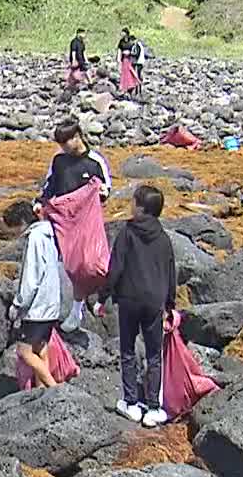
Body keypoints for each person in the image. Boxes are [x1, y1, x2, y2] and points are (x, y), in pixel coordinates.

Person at [100, 184, 178, 428]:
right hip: (154, 302)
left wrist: (102, 297)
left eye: (133, 202)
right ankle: (154, 408)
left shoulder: (127, 233)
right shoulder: (164, 238)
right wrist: (170, 305)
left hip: (129, 299)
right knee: (155, 354)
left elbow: (116, 268)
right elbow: (170, 273)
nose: (130, 206)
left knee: (128, 350)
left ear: (141, 208)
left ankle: (131, 403)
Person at [12, 198, 73, 388]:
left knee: (24, 351)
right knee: (41, 349)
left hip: (37, 308)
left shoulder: (35, 238)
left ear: (21, 222)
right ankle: (41, 391)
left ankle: (53, 387)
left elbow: (31, 276)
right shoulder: (51, 234)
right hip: (51, 304)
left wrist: (18, 304)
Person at [43, 122, 113, 201]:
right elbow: (50, 185)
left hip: (87, 209)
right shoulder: (58, 159)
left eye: (65, 142)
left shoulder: (96, 160)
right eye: (60, 143)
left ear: (77, 137)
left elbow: (106, 186)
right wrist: (41, 202)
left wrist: (104, 191)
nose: (62, 147)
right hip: (62, 208)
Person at [117, 30, 146, 95]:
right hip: (125, 59)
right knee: (125, 73)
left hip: (131, 60)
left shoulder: (133, 43)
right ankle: (126, 87)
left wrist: (130, 54)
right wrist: (119, 59)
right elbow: (119, 50)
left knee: (131, 73)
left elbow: (135, 52)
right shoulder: (121, 42)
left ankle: (134, 86)